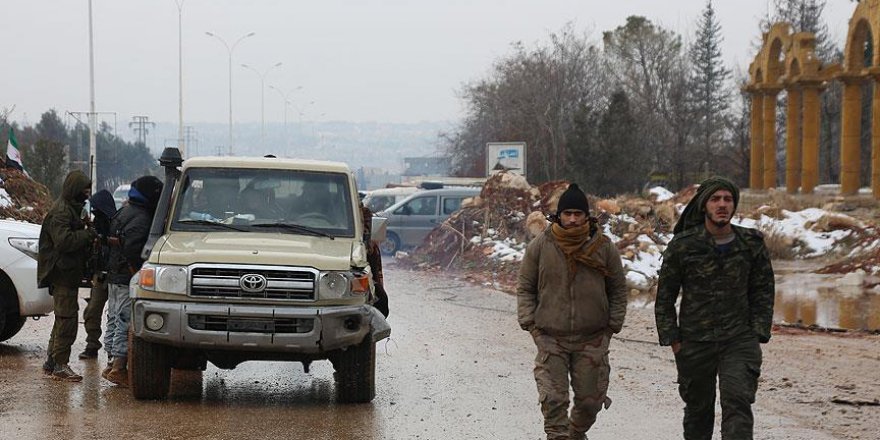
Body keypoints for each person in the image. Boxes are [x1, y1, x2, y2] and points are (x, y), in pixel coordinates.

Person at [655, 176, 775, 440]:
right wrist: (674, 340)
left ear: (734, 205)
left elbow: (763, 290)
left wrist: (757, 333)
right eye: (715, 199)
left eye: (728, 199)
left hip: (739, 340)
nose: (722, 205)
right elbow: (665, 297)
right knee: (698, 413)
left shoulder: (751, 243)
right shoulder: (684, 245)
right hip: (695, 342)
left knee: (738, 405)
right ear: (704, 205)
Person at [517, 183, 627, 440]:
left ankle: (575, 434)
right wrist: (531, 325)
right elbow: (525, 287)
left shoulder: (603, 247)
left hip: (592, 338)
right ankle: (558, 435)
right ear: (559, 215)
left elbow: (618, 289)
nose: (573, 219)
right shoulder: (541, 246)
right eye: (568, 213)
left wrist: (612, 326)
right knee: (554, 401)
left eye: (579, 213)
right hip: (550, 337)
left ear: (587, 216)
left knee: (590, 403)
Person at [104, 176, 163, 386]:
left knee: (113, 317)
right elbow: (132, 249)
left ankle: (111, 362)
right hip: (125, 276)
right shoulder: (142, 217)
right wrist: (135, 270)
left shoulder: (125, 211)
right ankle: (119, 367)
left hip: (113, 274)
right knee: (124, 319)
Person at [37, 170, 96, 382]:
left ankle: (52, 362)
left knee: (62, 319)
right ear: (75, 190)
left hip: (66, 272)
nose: (87, 194)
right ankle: (60, 365)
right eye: (84, 190)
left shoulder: (71, 208)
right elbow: (64, 242)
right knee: (67, 319)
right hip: (61, 272)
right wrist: (87, 234)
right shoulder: (61, 212)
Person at [79, 189, 117, 360]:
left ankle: (116, 353)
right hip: (100, 276)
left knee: (117, 316)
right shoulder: (95, 227)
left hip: (117, 276)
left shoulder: (117, 224)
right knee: (92, 312)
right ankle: (92, 344)